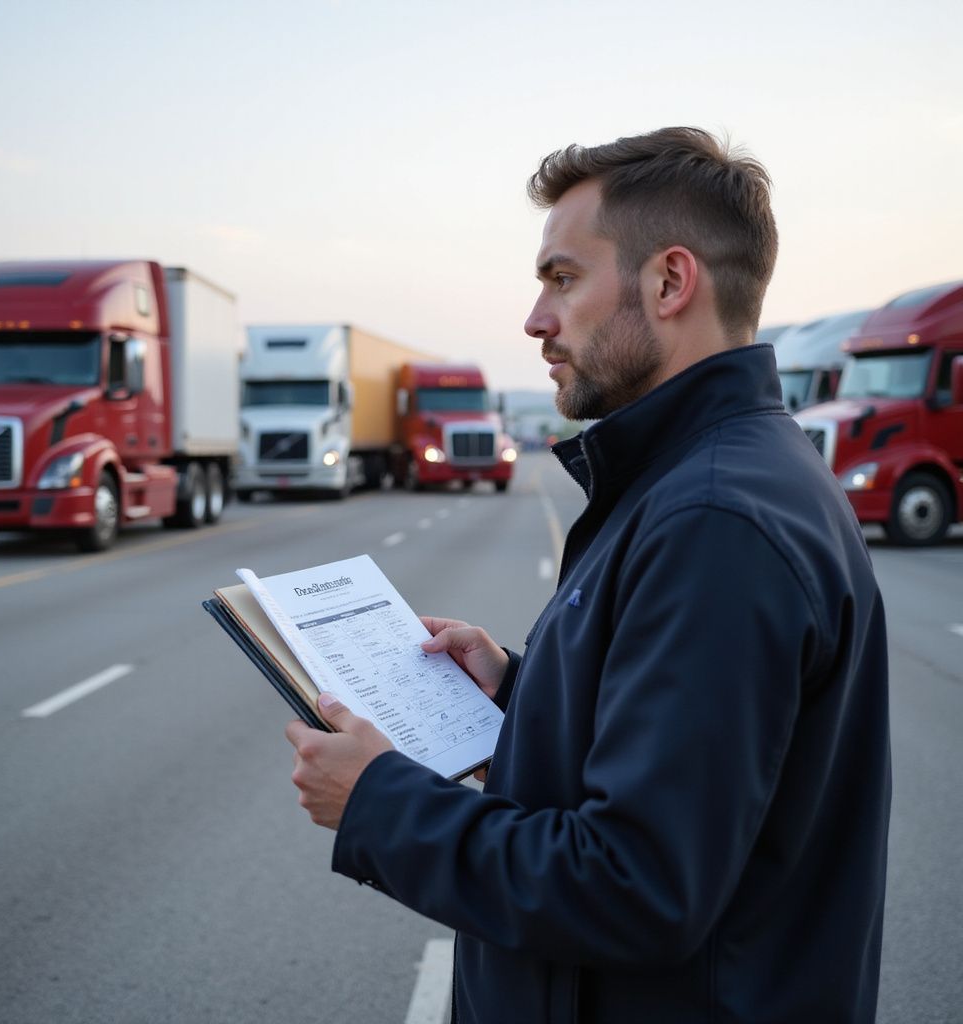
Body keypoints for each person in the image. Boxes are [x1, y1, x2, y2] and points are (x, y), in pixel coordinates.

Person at [285, 127, 891, 1023]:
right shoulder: (714, 475)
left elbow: (638, 885)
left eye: (562, 278)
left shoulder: (714, 519)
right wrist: (520, 699)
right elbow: (699, 761)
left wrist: (379, 803)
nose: (535, 319)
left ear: (670, 282)